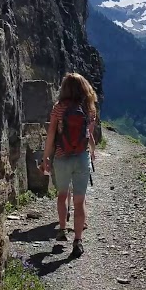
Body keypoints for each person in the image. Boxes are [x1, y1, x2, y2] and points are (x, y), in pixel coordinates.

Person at [40, 72, 98, 258]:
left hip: (61, 157)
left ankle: (62, 230)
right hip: (81, 157)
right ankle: (78, 240)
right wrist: (93, 150)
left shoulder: (58, 108)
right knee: (79, 201)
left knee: (62, 195)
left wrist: (46, 158)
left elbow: (50, 135)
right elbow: (88, 135)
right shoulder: (90, 109)